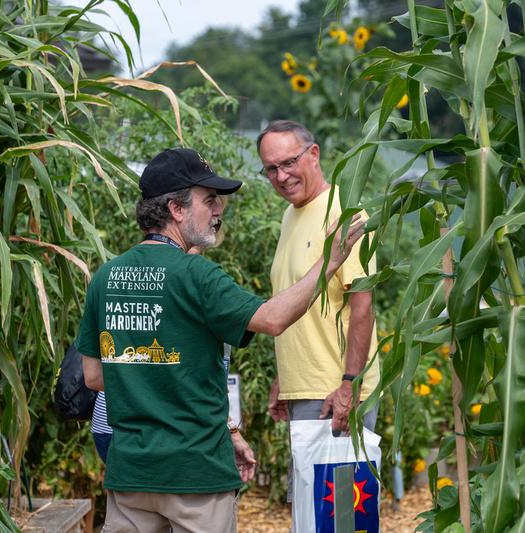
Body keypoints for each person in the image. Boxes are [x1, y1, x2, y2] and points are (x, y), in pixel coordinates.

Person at [77, 147, 366, 532]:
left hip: (131, 474)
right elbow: (273, 319)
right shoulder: (197, 275)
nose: (219, 210)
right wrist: (330, 259)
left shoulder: (106, 277)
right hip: (196, 474)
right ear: (176, 210)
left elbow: (94, 376)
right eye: (209, 200)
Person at [257, 120, 381, 504]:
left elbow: (363, 306)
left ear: (314, 154)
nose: (281, 176)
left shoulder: (344, 214)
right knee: (312, 515)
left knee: (341, 516)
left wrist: (350, 384)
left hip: (334, 393)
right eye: (271, 169)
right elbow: (298, 305)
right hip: (305, 389)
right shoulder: (290, 216)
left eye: (289, 162)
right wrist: (285, 379)